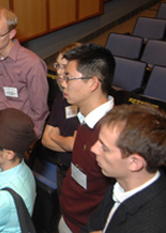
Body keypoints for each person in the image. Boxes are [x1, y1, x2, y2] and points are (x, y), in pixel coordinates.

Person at [82, 104, 166, 233]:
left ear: (134, 162)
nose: (93, 149)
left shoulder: (150, 226)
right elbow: (91, 227)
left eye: (104, 148)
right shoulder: (121, 182)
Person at [58, 44, 116, 233]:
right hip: (69, 217)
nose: (62, 82)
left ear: (93, 83)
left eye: (69, 77)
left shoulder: (113, 135)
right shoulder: (85, 119)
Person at [0, 6, 49, 138]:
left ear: (11, 34)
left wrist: (30, 140)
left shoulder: (32, 64)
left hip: (17, 134)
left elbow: (39, 110)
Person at [41, 43, 81, 196]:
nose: (59, 71)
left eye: (65, 66)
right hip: (62, 168)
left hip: (83, 173)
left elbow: (80, 146)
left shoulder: (88, 102)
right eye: (58, 65)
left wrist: (57, 138)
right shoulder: (61, 98)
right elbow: (46, 140)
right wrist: (70, 144)